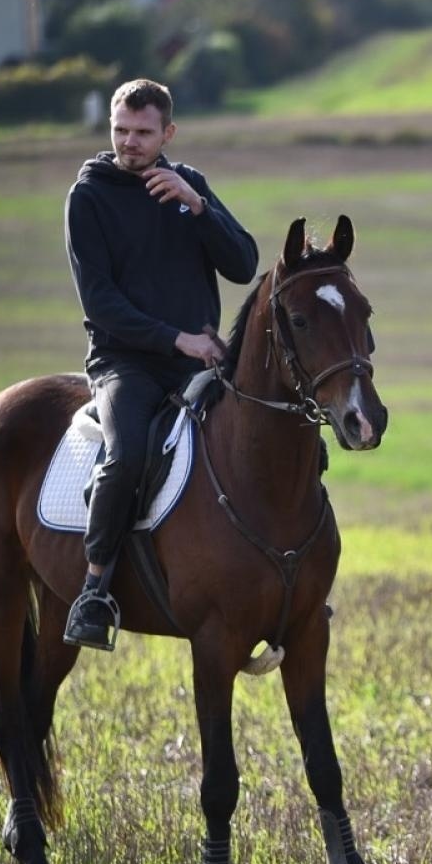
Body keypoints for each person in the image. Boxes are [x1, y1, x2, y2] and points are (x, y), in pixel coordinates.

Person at [62, 78, 259, 650]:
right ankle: (94, 590)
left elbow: (244, 264)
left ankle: (290, 573)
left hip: (200, 361)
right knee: (126, 455)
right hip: (126, 364)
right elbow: (101, 303)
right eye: (120, 130)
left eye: (143, 132)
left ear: (168, 132)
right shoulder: (88, 197)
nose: (130, 142)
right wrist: (179, 340)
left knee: (278, 431)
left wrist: (198, 208)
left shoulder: (189, 186)